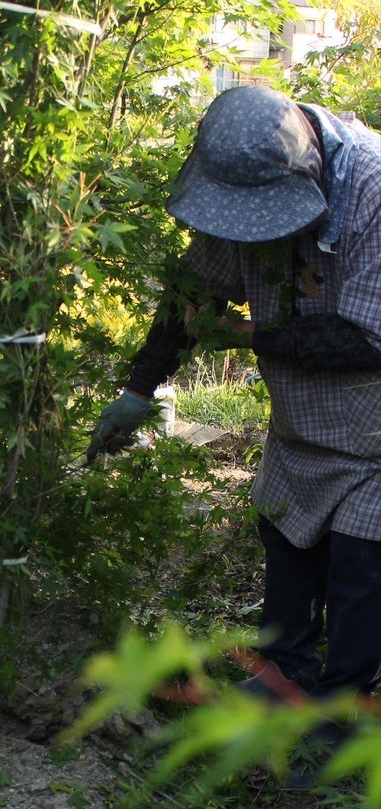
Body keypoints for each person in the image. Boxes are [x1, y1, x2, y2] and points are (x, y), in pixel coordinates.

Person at [86, 86, 381, 762]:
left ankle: (340, 721)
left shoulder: (369, 191)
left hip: (372, 441)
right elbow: (192, 292)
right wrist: (138, 386)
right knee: (285, 544)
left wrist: (250, 335)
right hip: (302, 429)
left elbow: (368, 338)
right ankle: (285, 681)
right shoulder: (238, 183)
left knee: (361, 575)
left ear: (304, 169)